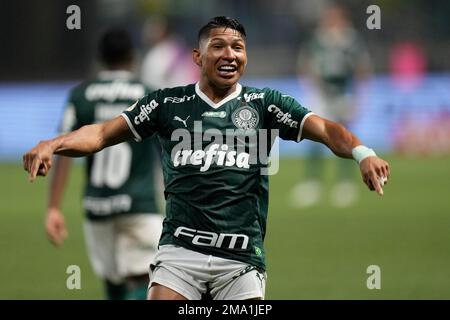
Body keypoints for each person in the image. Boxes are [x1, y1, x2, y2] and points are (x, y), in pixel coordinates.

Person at [23, 17, 390, 300]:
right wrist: (52, 144)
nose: (230, 54)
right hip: (179, 254)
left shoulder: (266, 104)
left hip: (241, 259)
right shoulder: (167, 103)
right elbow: (101, 134)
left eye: (238, 47)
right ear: (198, 57)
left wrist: (363, 153)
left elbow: (327, 131)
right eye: (219, 46)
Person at [45, 28, 163, 300]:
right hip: (139, 203)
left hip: (97, 205)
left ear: (100, 57)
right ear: (132, 57)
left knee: (113, 279)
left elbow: (63, 150)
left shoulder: (80, 95)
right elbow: (166, 150)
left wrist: (53, 207)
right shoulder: (147, 95)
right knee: (146, 278)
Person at [292, 5, 372, 208]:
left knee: (344, 137)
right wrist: (312, 88)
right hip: (321, 93)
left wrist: (359, 97)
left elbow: (362, 69)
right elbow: (306, 65)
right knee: (315, 135)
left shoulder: (350, 40)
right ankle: (313, 182)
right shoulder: (317, 40)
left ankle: (345, 184)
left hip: (343, 92)